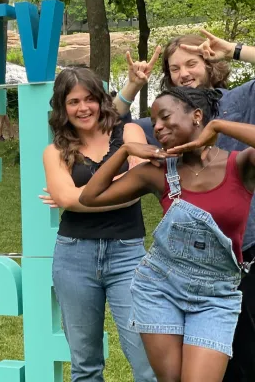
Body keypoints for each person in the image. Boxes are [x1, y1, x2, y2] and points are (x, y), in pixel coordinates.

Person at [80, 86, 254, 381]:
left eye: (164, 117)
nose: (157, 127)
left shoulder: (240, 165)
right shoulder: (157, 172)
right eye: (153, 121)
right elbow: (91, 197)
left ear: (197, 116)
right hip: (160, 289)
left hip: (216, 296)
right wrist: (124, 150)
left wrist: (219, 126)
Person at [115, 30, 255, 381]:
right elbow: (116, 121)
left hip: (247, 251)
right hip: (190, 272)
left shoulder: (241, 100)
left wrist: (236, 50)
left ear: (210, 62)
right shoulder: (169, 116)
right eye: (175, 67)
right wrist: (132, 87)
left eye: (191, 63)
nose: (184, 72)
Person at [41, 67, 156, 381]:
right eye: (73, 101)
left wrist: (78, 195)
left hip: (128, 254)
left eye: (90, 98)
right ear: (62, 108)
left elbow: (139, 186)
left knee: (147, 362)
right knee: (85, 365)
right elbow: (67, 200)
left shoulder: (129, 133)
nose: (83, 108)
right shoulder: (55, 152)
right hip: (73, 257)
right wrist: (119, 185)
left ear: (101, 100)